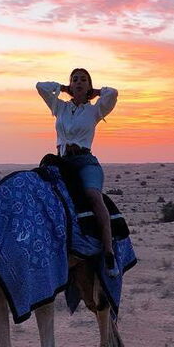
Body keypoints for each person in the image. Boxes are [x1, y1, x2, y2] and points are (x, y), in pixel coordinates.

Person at [37, 69, 120, 276]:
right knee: (39, 194)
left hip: (84, 161)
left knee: (93, 196)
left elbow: (113, 94)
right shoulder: (60, 107)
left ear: (89, 85)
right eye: (75, 79)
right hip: (61, 162)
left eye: (83, 80)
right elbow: (40, 87)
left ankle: (108, 253)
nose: (79, 82)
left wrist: (97, 91)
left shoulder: (95, 111)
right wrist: (63, 89)